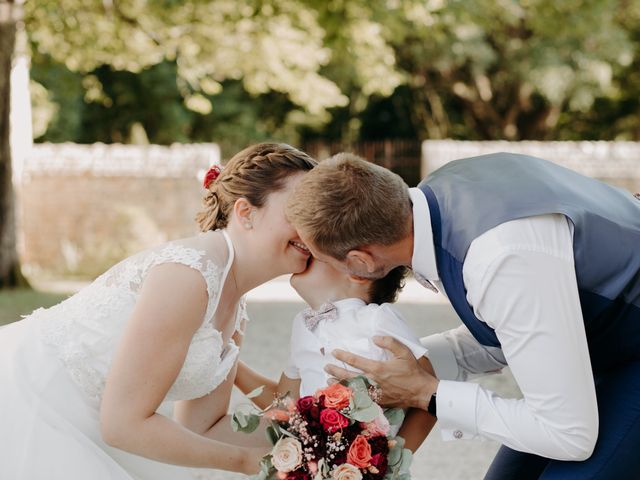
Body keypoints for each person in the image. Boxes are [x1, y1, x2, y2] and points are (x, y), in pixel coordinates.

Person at [284, 151, 640, 479]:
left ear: (360, 263)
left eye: (321, 258)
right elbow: (514, 326)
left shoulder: (500, 259)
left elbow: (567, 434)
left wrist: (429, 393)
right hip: (608, 333)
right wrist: (406, 365)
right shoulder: (443, 193)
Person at [0, 143, 317, 480]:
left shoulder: (233, 301)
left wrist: (316, 435)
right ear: (246, 213)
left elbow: (204, 428)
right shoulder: (189, 276)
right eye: (299, 212)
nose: (314, 229)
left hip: (89, 422)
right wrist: (245, 461)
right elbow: (123, 425)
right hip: (29, 400)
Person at [235, 258, 436, 452]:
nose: (306, 255)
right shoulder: (302, 325)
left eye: (316, 253)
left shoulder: (377, 318)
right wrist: (230, 366)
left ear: (358, 272)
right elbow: (286, 408)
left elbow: (427, 385)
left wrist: (393, 460)